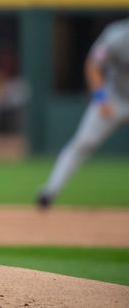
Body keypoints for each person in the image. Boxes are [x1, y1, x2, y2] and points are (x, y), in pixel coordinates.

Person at [37, 18, 129, 209]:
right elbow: (93, 65)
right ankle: (50, 190)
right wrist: (101, 97)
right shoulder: (117, 36)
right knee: (83, 142)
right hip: (114, 97)